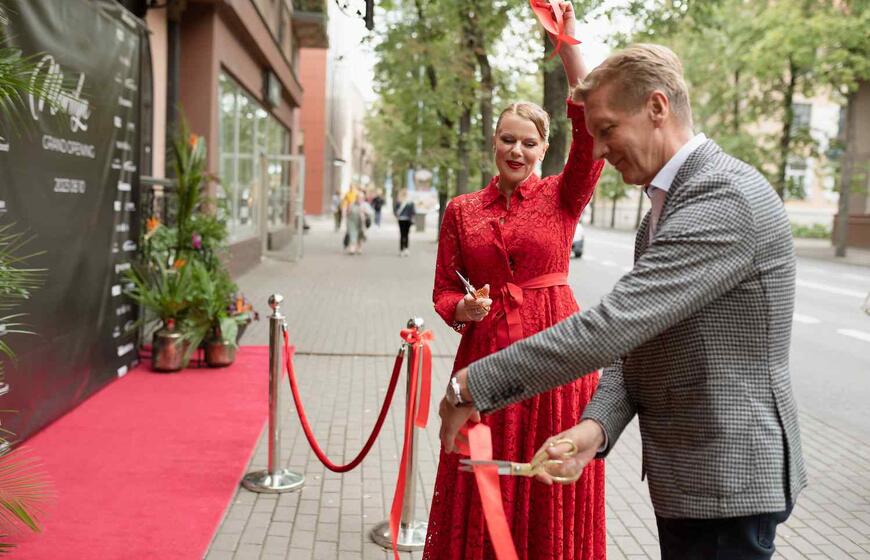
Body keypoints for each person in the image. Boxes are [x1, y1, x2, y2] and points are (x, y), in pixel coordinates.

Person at [439, 43, 807, 560]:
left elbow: (613, 325)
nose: (600, 151)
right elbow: (636, 347)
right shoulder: (664, 208)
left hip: (729, 481)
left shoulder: (722, 197)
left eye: (608, 130)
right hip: (690, 479)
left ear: (657, 108)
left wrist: (468, 386)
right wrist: (595, 428)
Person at [424, 4, 606, 559]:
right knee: (482, 469)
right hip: (486, 354)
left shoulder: (563, 195)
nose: (517, 151)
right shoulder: (461, 210)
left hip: (557, 355)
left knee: (547, 469)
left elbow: (589, 127)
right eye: (508, 139)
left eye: (528, 143)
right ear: (494, 143)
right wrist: (463, 310)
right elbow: (443, 291)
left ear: (544, 149)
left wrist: (567, 45)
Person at [394, 189, 416, 257]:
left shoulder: (399, 201)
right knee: (406, 235)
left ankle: (402, 250)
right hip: (407, 220)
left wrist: (397, 216)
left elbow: (395, 211)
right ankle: (406, 249)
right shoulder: (410, 202)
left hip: (401, 220)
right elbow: (413, 212)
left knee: (402, 234)